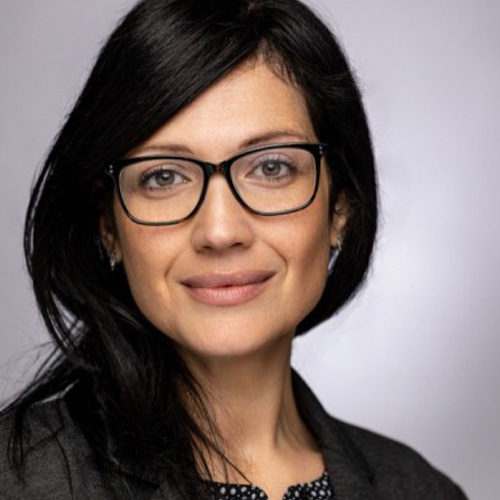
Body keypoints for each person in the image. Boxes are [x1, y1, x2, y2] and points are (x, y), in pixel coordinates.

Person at [0, 0, 467, 498]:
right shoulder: (19, 480)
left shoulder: (421, 490)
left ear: (340, 210)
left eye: (271, 167)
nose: (220, 232)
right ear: (107, 224)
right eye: (164, 176)